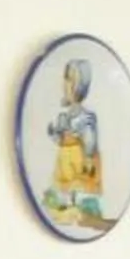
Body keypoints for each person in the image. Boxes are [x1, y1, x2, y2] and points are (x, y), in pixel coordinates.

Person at [45, 55, 105, 227]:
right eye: (66, 79)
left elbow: (90, 141)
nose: (66, 85)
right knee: (64, 190)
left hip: (79, 162)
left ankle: (83, 211)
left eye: (71, 80)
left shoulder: (86, 117)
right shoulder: (64, 116)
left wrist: (88, 158)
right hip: (64, 162)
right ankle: (68, 209)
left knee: (79, 189)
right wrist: (53, 135)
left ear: (80, 85)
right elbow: (61, 139)